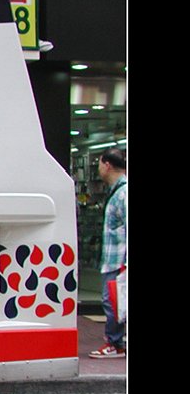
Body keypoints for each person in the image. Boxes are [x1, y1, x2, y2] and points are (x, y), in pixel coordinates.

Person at [89, 148, 127, 358]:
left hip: (119, 260)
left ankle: (115, 343)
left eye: (99, 164)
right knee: (115, 301)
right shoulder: (117, 191)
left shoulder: (123, 193)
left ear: (107, 164)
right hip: (115, 259)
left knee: (112, 301)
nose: (99, 169)